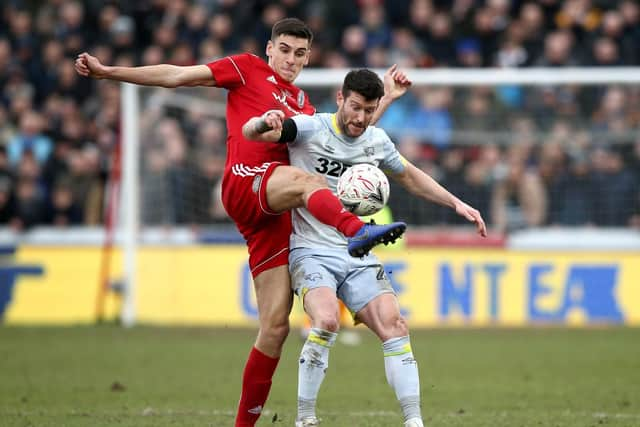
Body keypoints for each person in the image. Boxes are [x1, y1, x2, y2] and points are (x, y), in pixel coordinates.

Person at [75, 18, 410, 427]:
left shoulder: (303, 105)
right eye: (284, 49)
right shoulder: (246, 68)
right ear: (270, 49)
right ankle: (359, 232)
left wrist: (387, 98)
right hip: (246, 183)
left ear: (308, 57)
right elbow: (177, 75)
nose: (290, 59)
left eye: (299, 53)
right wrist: (109, 72)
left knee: (274, 328)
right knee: (311, 182)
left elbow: (350, 134)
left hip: (273, 213)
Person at [243, 69, 487, 427]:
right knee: (326, 319)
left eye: (369, 110)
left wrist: (456, 204)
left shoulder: (377, 141)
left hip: (358, 252)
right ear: (340, 99)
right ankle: (306, 419)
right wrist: (261, 123)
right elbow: (257, 132)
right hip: (311, 249)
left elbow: (411, 176)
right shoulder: (312, 128)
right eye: (355, 107)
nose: (360, 118)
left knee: (395, 326)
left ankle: (414, 422)